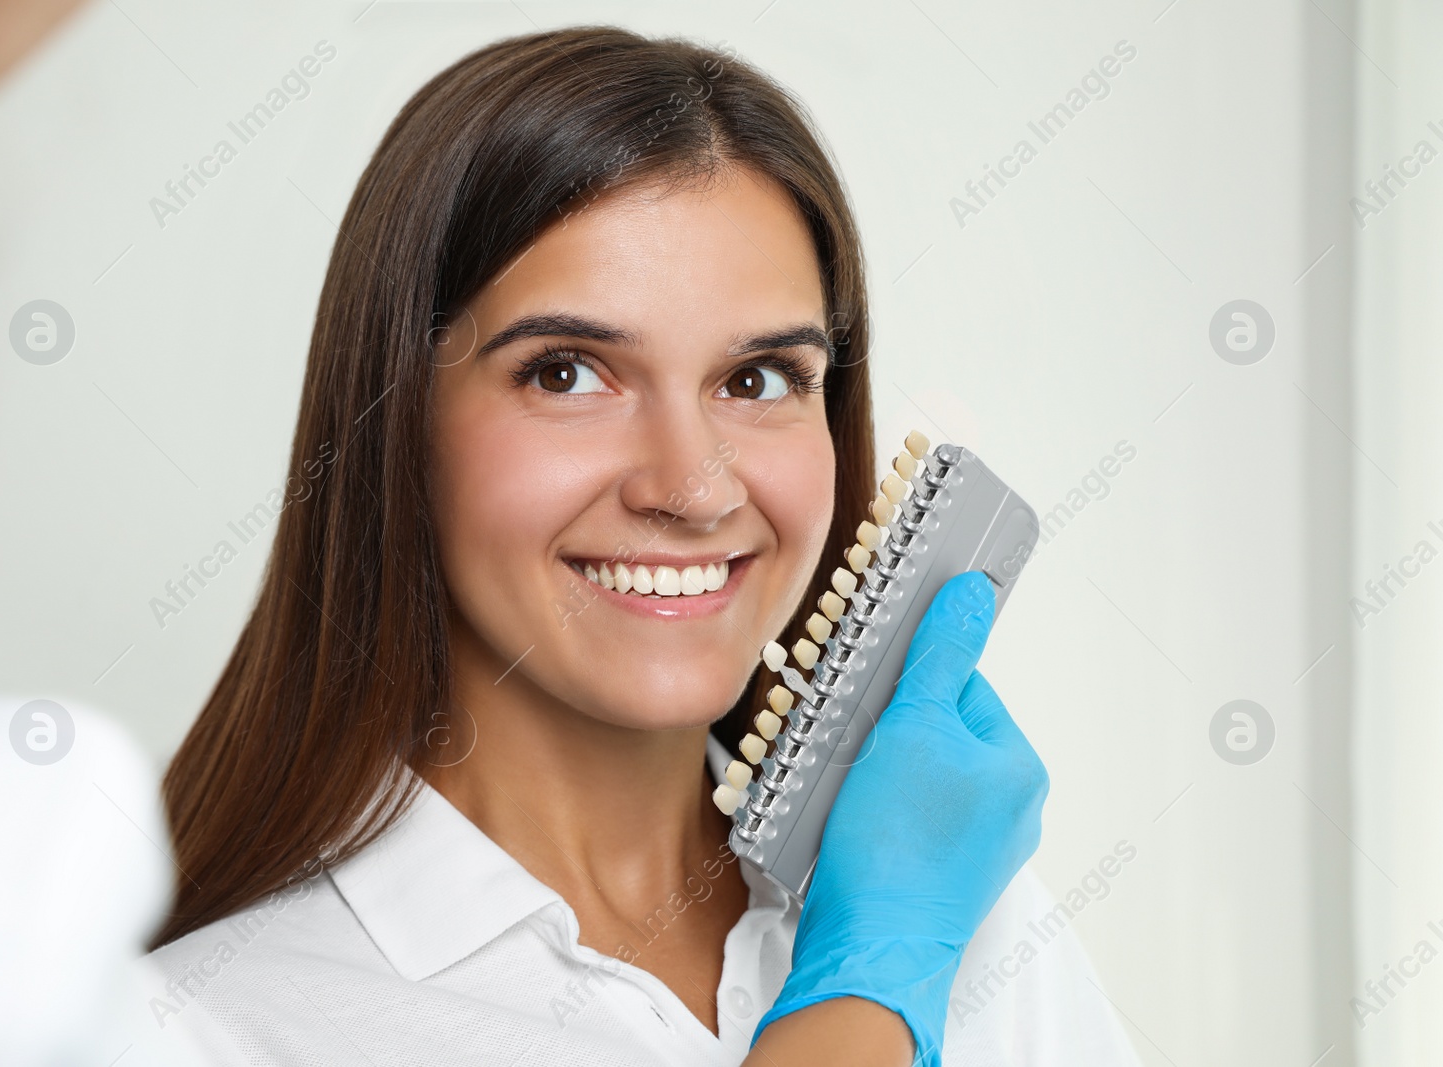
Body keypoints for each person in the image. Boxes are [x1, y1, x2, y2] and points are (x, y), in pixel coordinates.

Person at [147, 26, 1141, 1066]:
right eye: (567, 372)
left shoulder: (979, 928)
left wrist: (906, 938)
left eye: (758, 379)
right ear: (396, 422)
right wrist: (870, 984)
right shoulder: (198, 1024)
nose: (691, 488)